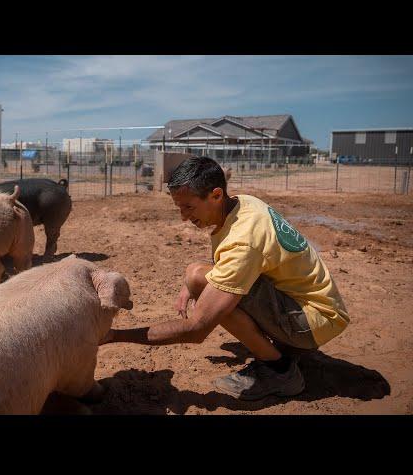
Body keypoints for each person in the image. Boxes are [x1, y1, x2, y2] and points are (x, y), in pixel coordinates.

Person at [101, 156, 349, 401]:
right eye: (179, 207)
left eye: (188, 207)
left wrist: (114, 335)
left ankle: (280, 370)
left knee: (208, 289)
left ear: (216, 195)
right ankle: (286, 348)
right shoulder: (243, 204)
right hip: (313, 307)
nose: (183, 217)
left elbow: (196, 330)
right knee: (197, 275)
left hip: (313, 322)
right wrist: (190, 285)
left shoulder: (243, 241)